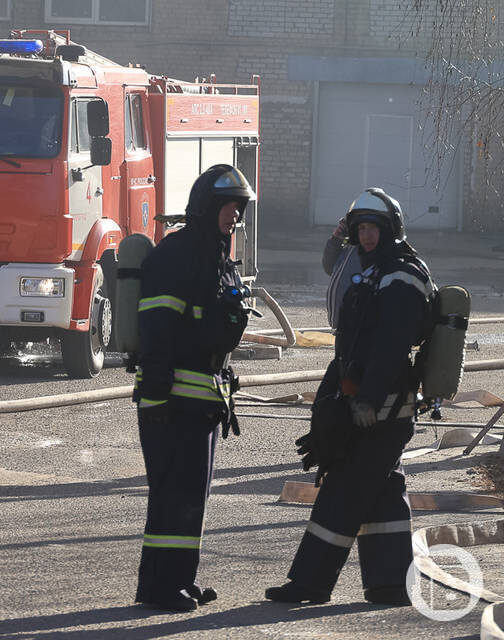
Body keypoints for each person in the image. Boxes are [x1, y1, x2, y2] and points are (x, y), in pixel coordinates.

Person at [265, 187, 435, 606]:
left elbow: (390, 347)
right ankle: (390, 584)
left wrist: (367, 401)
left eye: (373, 228)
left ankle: (310, 583)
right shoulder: (376, 271)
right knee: (383, 492)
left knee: (342, 490)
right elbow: (353, 344)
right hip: (372, 405)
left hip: (381, 410)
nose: (366, 236)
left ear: (390, 230)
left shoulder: (402, 277)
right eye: (361, 229)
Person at [133, 164, 256, 612]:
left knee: (191, 499)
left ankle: (179, 580)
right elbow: (157, 330)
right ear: (207, 207)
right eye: (228, 207)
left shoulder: (218, 258)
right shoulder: (177, 255)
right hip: (173, 400)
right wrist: (155, 397)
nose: (235, 216)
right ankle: (161, 589)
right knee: (175, 497)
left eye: (239, 208)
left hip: (202, 400)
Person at [323, 216, 362, 330]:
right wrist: (335, 241)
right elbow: (330, 268)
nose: (366, 235)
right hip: (344, 329)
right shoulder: (348, 251)